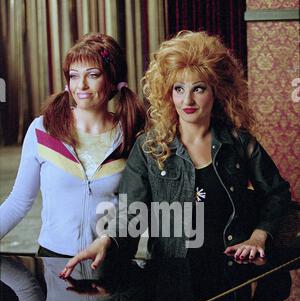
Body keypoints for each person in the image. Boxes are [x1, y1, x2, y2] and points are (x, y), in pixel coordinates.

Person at [61, 30, 291, 277]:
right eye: (178, 89)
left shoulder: (239, 143)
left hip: (230, 277)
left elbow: (277, 194)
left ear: (217, 91)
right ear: (168, 93)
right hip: (172, 279)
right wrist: (107, 239)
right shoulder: (149, 148)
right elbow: (131, 211)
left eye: (199, 89)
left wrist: (259, 236)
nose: (187, 100)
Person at [0, 33, 145, 256]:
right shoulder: (43, 129)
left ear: (112, 78)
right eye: (74, 76)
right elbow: (19, 202)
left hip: (111, 262)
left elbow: (139, 208)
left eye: (93, 75)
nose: (82, 85)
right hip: (54, 262)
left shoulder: (131, 134)